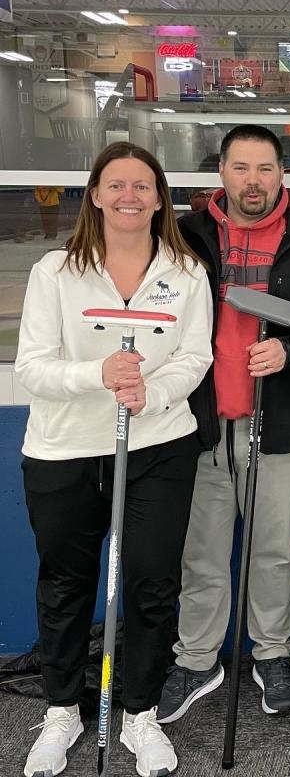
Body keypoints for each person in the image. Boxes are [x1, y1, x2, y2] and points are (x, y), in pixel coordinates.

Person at [15, 142, 213, 777]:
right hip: (64, 449)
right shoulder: (55, 272)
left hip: (160, 445)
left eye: (143, 186)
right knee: (67, 585)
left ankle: (142, 713)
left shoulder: (186, 273)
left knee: (153, 583)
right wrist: (96, 374)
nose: (130, 196)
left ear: (160, 198)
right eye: (116, 185)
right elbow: (32, 369)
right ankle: (63, 711)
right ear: (94, 195)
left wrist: (150, 391)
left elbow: (196, 355)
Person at [157, 124, 290, 723]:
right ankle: (198, 658)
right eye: (240, 168)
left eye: (264, 169)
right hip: (201, 425)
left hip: (278, 426)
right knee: (201, 553)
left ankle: (271, 654)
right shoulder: (182, 238)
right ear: (221, 172)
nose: (252, 182)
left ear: (281, 173)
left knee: (274, 551)